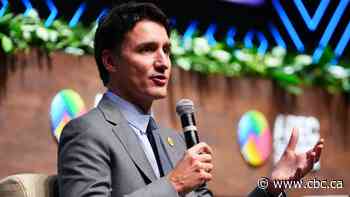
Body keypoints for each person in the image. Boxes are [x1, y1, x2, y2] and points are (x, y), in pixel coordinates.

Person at [57, 2, 324, 197]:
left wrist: (272, 185)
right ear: (110, 61)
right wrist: (173, 184)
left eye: (166, 50)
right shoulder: (87, 132)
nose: (163, 62)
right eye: (147, 49)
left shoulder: (175, 144)